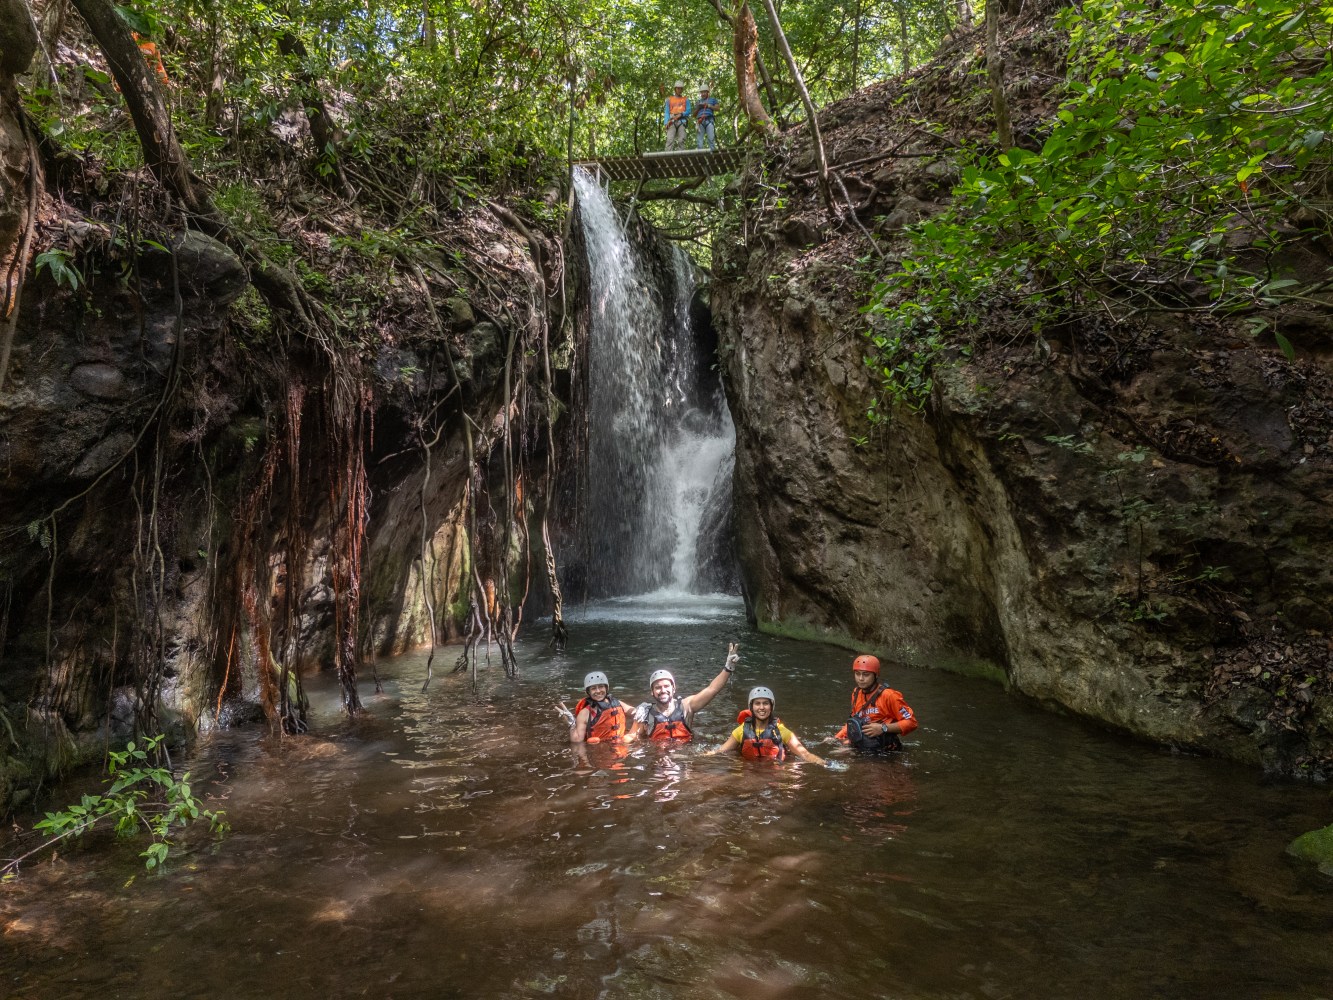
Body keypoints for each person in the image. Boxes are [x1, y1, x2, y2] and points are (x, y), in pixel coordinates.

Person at [632, 643, 739, 740]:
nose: (663, 690)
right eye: (658, 687)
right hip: (658, 758)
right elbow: (632, 736)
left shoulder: (687, 706)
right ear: (652, 692)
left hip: (683, 757)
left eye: (666, 686)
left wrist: (728, 668)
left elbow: (712, 689)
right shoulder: (645, 714)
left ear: (673, 689)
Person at [705, 686, 829, 765]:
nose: (762, 707)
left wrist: (824, 763)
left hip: (774, 773)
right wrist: (694, 757)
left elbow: (805, 754)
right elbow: (720, 751)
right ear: (751, 707)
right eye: (757, 703)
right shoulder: (741, 730)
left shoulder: (782, 731)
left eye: (765, 703)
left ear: (771, 706)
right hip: (749, 771)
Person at [830, 654, 918, 752]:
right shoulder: (856, 693)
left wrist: (883, 728)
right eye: (857, 674)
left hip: (887, 751)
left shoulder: (889, 696)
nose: (861, 678)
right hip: (864, 745)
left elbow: (911, 722)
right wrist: (836, 738)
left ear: (876, 675)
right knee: (834, 752)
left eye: (866, 674)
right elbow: (855, 722)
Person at [558, 671, 634, 744]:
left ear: (606, 688)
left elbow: (635, 712)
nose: (598, 691)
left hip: (621, 746)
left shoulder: (618, 704)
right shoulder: (585, 713)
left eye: (601, 687)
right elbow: (577, 741)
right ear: (588, 692)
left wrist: (643, 710)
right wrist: (571, 725)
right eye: (593, 688)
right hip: (600, 749)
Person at [662, 80, 692, 152]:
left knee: (681, 139)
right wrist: (666, 122)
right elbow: (666, 112)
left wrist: (681, 114)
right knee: (670, 139)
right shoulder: (669, 99)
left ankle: (680, 156)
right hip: (672, 121)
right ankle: (667, 157)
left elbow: (688, 110)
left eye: (681, 88)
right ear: (675, 89)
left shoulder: (685, 99)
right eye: (678, 88)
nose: (679, 90)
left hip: (682, 121)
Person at [694, 84, 720, 152]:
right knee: (699, 142)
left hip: (709, 120)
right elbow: (694, 115)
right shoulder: (698, 102)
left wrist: (709, 106)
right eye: (702, 92)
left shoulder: (713, 100)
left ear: (708, 92)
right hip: (700, 121)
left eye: (704, 92)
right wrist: (698, 108)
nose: (703, 94)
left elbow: (718, 108)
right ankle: (700, 158)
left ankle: (713, 156)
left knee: (711, 139)